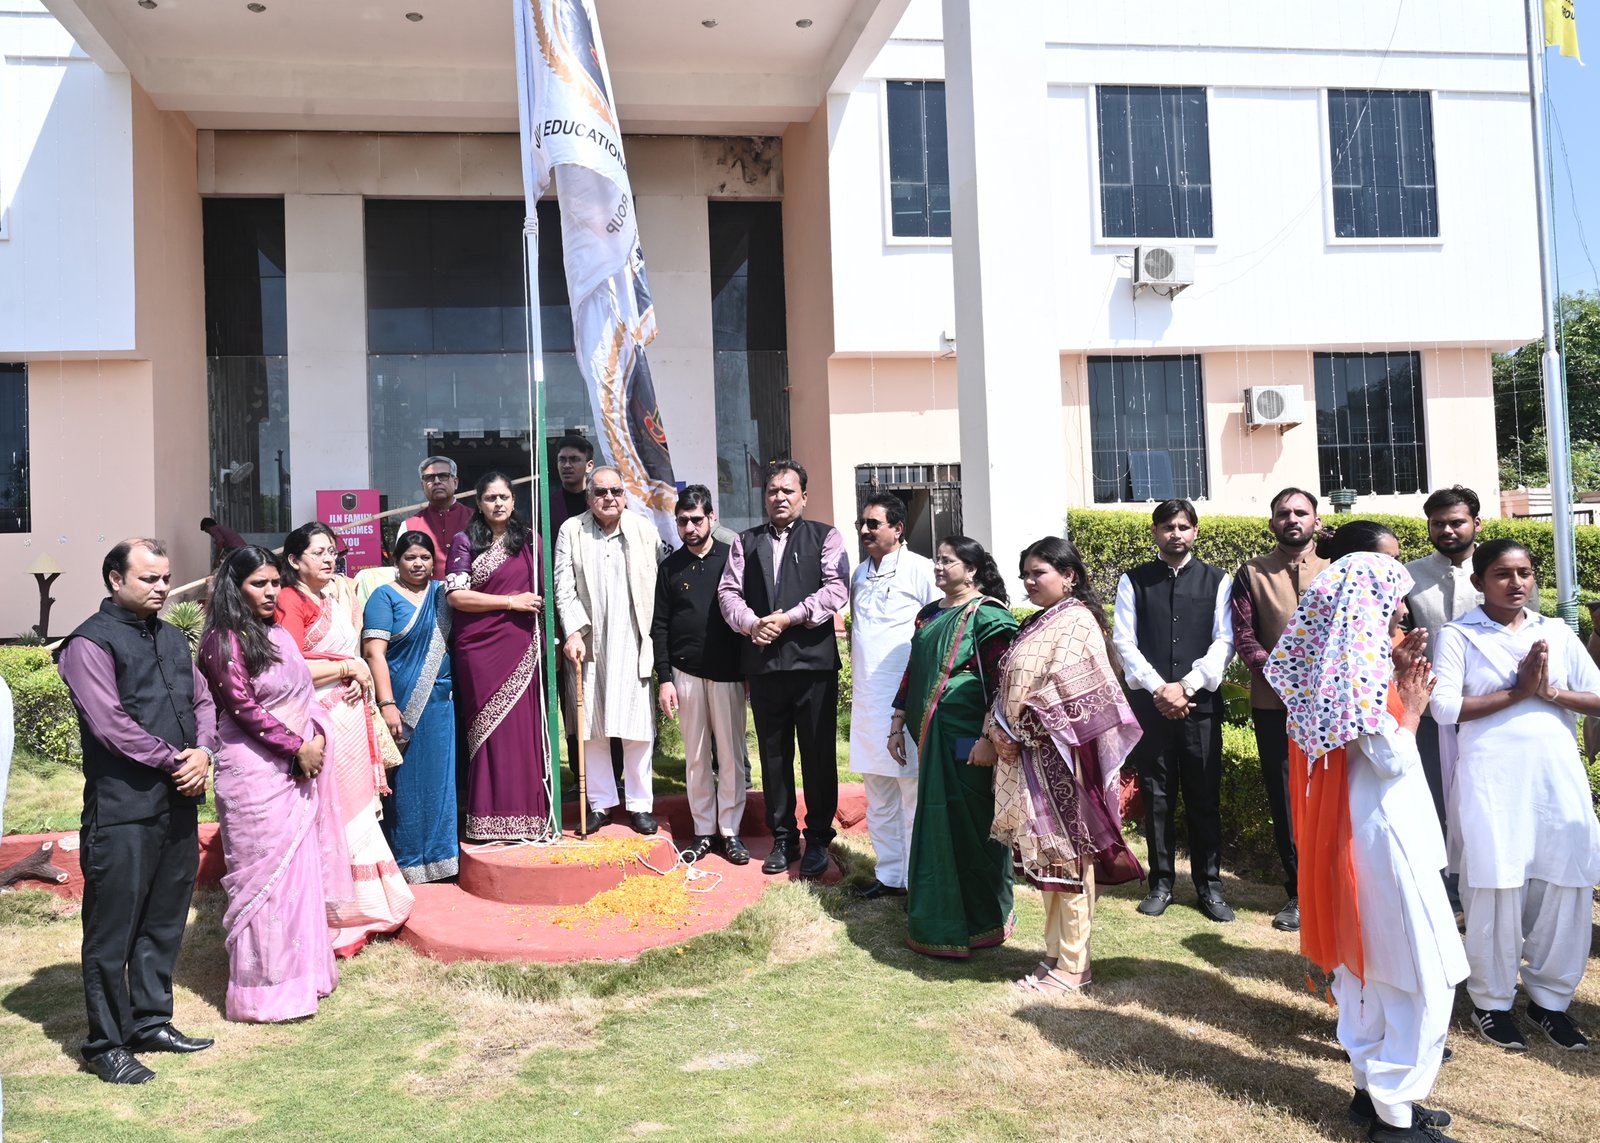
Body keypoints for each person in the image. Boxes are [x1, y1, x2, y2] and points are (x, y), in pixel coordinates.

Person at [1265, 551, 1467, 1143]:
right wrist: (1413, 707)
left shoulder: (1338, 666)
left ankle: (1373, 1094)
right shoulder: (1357, 673)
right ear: (1367, 607)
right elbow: (1389, 757)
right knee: (1422, 974)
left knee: (1368, 967)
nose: (1402, 611)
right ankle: (1395, 1115)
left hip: (1360, 830)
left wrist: (1394, 677)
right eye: (1393, 600)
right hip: (1384, 834)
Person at [57, 538, 220, 1084]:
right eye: (149, 578)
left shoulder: (172, 637)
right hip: (122, 809)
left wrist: (204, 751)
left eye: (165, 578)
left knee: (164, 919)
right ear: (115, 579)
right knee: (113, 930)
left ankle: (150, 1022)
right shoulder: (88, 643)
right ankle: (105, 1044)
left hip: (178, 801)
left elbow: (202, 699)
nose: (162, 587)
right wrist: (177, 758)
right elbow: (110, 724)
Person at [1429, 538, 1600, 1053]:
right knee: (1495, 884)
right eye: (1502, 574)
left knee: (1563, 885)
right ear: (1478, 581)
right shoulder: (1459, 635)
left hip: (1556, 778)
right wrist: (1518, 693)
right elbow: (1443, 708)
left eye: (1524, 572)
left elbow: (1597, 697)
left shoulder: (1556, 632)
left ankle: (1550, 1002)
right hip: (1492, 779)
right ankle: (1491, 1002)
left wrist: (1550, 693)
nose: (1516, 582)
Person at [199, 546, 352, 1023]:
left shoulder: (278, 634)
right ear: (236, 587)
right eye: (258, 584)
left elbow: (301, 693)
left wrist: (314, 739)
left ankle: (304, 976)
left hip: (296, 767)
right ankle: (264, 991)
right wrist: (297, 747)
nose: (269, 592)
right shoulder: (223, 640)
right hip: (254, 773)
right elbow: (242, 707)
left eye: (274, 583)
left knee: (298, 876)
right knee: (265, 882)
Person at [988, 538, 1144, 990]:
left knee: (1068, 857)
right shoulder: (1039, 621)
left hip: (1063, 759)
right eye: (1025, 574)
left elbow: (1074, 692)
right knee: (1047, 859)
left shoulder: (1076, 621)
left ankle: (1075, 966)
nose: (1028, 581)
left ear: (1069, 576)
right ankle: (1054, 953)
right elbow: (1008, 685)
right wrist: (997, 728)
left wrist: (1020, 731)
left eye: (1038, 572)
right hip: (1029, 756)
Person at [276, 522, 414, 954]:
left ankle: (371, 903)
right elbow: (290, 666)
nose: (328, 558)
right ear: (294, 560)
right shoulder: (290, 599)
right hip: (319, 718)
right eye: (318, 552)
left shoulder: (331, 598)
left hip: (350, 715)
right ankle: (338, 910)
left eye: (332, 551)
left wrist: (355, 672)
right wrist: (347, 668)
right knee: (332, 807)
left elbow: (348, 654)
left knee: (357, 806)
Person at [718, 459, 850, 877]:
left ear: (803, 497)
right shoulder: (745, 541)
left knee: (818, 754)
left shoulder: (825, 537)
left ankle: (818, 837)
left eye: (788, 491)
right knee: (773, 755)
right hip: (764, 665)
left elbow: (837, 589)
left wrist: (790, 617)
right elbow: (728, 592)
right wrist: (751, 623)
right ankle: (783, 836)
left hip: (813, 665)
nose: (779, 497)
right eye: (772, 491)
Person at [891, 537, 1018, 955]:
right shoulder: (929, 615)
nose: (939, 567)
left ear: (972, 569)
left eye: (948, 561)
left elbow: (1004, 684)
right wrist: (896, 723)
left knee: (972, 816)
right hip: (931, 735)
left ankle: (983, 917)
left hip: (970, 738)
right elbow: (914, 671)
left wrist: (987, 738)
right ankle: (938, 911)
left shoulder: (988, 615)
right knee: (936, 814)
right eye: (938, 560)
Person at [1112, 498, 1235, 922]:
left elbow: (1224, 641)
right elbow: (1124, 641)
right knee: (1157, 795)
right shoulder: (1133, 581)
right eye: (1167, 527)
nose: (1175, 533)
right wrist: (1160, 689)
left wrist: (1186, 686)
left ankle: (1210, 887)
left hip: (1200, 705)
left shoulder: (1218, 580)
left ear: (1195, 531)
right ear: (1155, 532)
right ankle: (1161, 883)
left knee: (1204, 795)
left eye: (1183, 526)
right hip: (1152, 707)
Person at [1230, 487, 1329, 933]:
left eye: (1301, 512)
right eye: (1283, 513)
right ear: (1272, 522)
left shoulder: (1338, 567)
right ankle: (1300, 892)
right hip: (1274, 704)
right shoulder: (1252, 572)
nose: (1292, 519)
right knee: (1286, 796)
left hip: (1332, 706)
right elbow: (1244, 635)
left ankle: (1337, 886)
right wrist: (1283, 680)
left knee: (1335, 793)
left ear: (1316, 520)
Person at [444, 471, 555, 842]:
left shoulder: (530, 541)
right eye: (490, 498)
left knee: (524, 729)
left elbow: (545, 595)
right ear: (478, 503)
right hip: (479, 650)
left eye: (503, 497)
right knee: (488, 731)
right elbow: (456, 596)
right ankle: (487, 818)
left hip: (522, 644)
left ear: (513, 500)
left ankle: (530, 817)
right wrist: (509, 602)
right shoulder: (464, 542)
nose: (498, 503)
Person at [555, 465, 661, 835]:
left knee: (637, 728)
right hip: (589, 642)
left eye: (615, 491)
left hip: (633, 639)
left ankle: (640, 805)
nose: (609, 498)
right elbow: (563, 586)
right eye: (600, 492)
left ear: (625, 495)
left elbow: (657, 583)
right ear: (589, 497)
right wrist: (572, 632)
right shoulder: (572, 530)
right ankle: (600, 803)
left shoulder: (643, 529)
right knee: (592, 728)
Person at [653, 485, 750, 862]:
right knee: (695, 757)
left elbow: (746, 616)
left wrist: (749, 672)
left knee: (730, 755)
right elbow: (660, 626)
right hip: (685, 673)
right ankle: (704, 830)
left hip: (728, 674)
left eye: (696, 519)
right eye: (682, 521)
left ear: (711, 518)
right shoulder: (670, 567)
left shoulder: (732, 560)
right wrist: (665, 678)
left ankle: (731, 831)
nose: (690, 527)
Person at [849, 492, 938, 899]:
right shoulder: (858, 574)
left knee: (912, 794)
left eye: (874, 524)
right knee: (879, 794)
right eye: (862, 524)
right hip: (869, 701)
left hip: (906, 700)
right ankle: (889, 877)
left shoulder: (921, 570)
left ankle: (918, 879)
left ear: (898, 529)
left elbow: (937, 631)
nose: (865, 530)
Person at [362, 531, 459, 883]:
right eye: (410, 557)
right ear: (396, 561)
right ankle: (406, 862)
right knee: (404, 784)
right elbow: (374, 653)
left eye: (425, 557)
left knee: (439, 781)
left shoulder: (443, 595)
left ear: (434, 561)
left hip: (441, 704)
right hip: (401, 703)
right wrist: (386, 703)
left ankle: (442, 859)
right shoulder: (384, 596)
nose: (418, 564)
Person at [1405, 485, 1483, 911]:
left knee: (1481, 802)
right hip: (1429, 713)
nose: (1447, 530)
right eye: (1438, 524)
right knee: (1433, 801)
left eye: (1456, 522)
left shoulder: (1501, 569)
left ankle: (1484, 887)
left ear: (1476, 523)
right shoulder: (1410, 575)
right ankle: (1443, 894)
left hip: (1487, 709)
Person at [401, 456, 475, 579]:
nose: (436, 481)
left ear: (455, 482)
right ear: (422, 486)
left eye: (443, 476)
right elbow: (402, 570)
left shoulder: (477, 519)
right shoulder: (409, 526)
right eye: (429, 478)